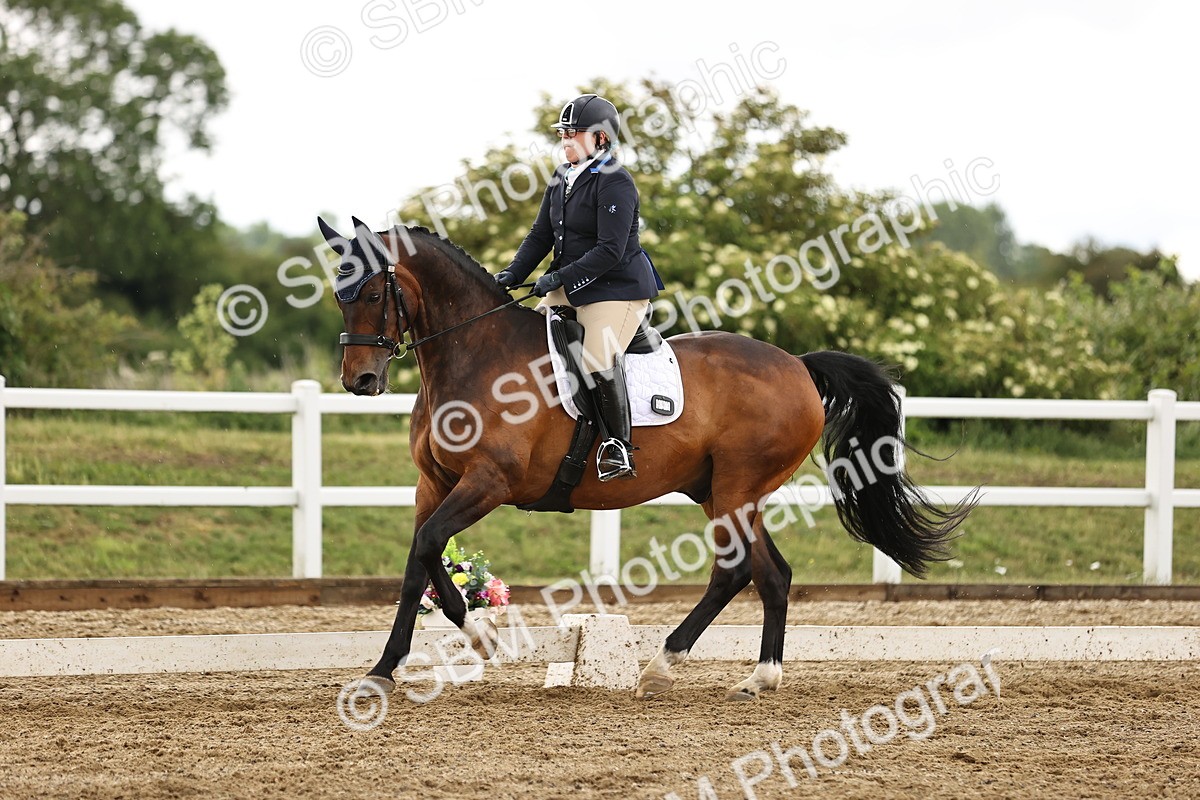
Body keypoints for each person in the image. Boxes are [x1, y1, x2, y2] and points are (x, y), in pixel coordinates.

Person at [495, 93, 662, 481]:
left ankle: (618, 446)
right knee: (524, 342)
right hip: (570, 283)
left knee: (595, 356)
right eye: (563, 133)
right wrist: (512, 274)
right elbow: (540, 236)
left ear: (600, 139)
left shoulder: (615, 181)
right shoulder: (561, 177)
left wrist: (557, 278)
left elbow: (610, 250)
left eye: (574, 133)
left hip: (615, 288)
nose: (565, 139)